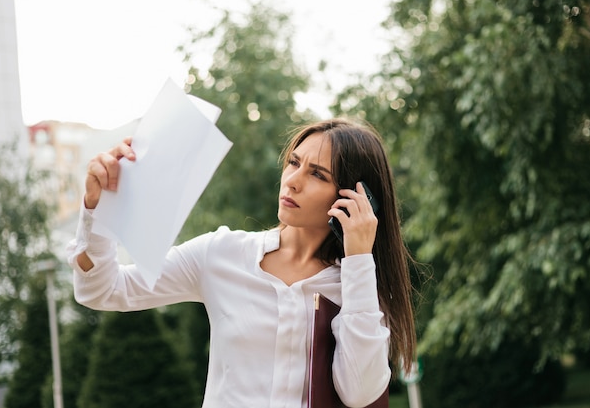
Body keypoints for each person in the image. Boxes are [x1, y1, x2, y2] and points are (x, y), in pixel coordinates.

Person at [67, 118, 417, 408]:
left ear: (355, 198)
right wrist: (97, 207)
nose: (292, 181)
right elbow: (102, 290)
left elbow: (359, 393)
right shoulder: (221, 254)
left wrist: (359, 260)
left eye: (317, 174)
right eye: (294, 163)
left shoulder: (359, 288)